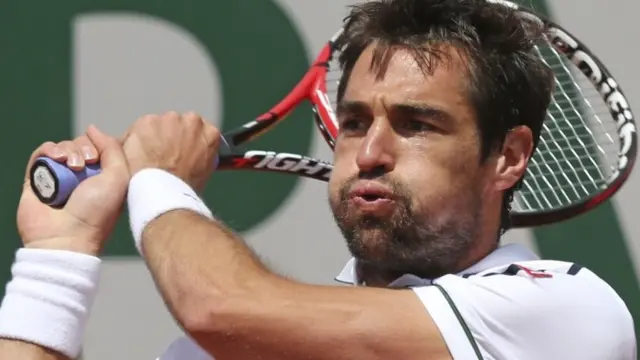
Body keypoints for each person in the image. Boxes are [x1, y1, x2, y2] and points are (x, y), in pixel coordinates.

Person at [0, 0, 635, 359]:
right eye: (355, 121)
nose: (371, 151)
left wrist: (158, 182)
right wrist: (57, 257)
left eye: (418, 124)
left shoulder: (564, 314)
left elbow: (218, 306)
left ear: (508, 156)